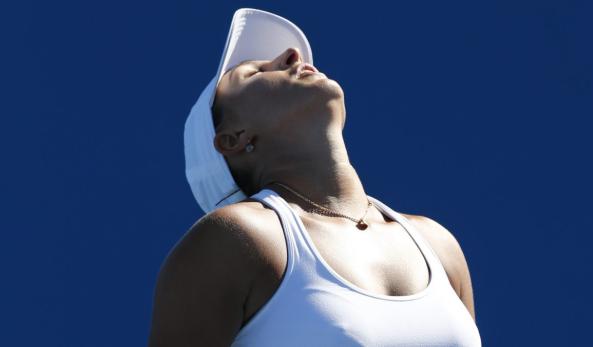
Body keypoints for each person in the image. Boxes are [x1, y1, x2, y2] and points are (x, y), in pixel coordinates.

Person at [148, 8, 481, 347]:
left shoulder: (438, 244)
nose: (291, 55)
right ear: (234, 139)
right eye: (255, 72)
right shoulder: (233, 241)